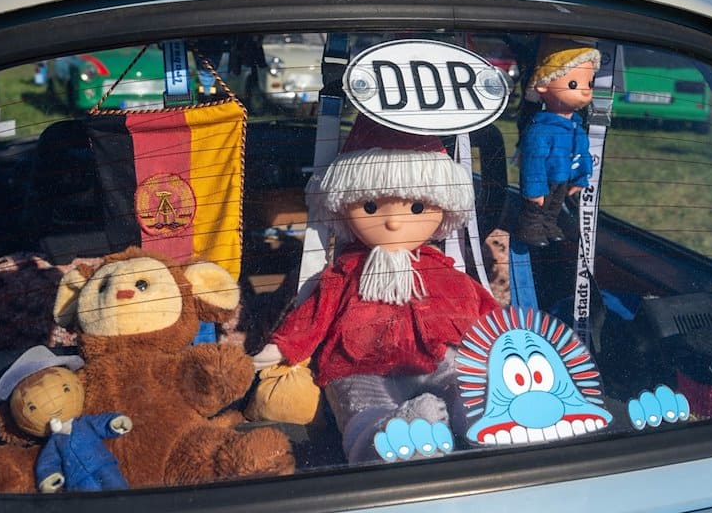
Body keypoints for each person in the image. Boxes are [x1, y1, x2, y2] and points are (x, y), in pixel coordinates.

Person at [252, 115, 500, 462]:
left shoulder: (439, 269)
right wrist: (280, 349)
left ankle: (490, 420)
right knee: (361, 405)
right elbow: (315, 315)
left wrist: (507, 343)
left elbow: (484, 312)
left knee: (464, 383)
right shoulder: (345, 271)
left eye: (416, 207)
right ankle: (386, 442)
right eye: (371, 206)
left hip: (436, 356)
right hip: (358, 365)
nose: (394, 221)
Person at [0, 345, 132, 493]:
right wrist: (49, 478)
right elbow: (48, 462)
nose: (53, 405)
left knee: (121, 494)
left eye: (65, 389)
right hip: (78, 481)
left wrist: (115, 423)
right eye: (32, 407)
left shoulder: (86, 423)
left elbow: (101, 423)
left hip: (104, 465)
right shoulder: (53, 442)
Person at [514, 38, 599, 247]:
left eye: (589, 83)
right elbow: (533, 164)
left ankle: (549, 225)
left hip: (562, 178)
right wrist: (534, 191)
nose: (586, 90)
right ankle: (531, 228)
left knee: (554, 206)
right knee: (536, 208)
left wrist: (580, 177)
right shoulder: (539, 130)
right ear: (543, 85)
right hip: (544, 180)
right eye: (573, 84)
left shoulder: (575, 128)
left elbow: (583, 154)